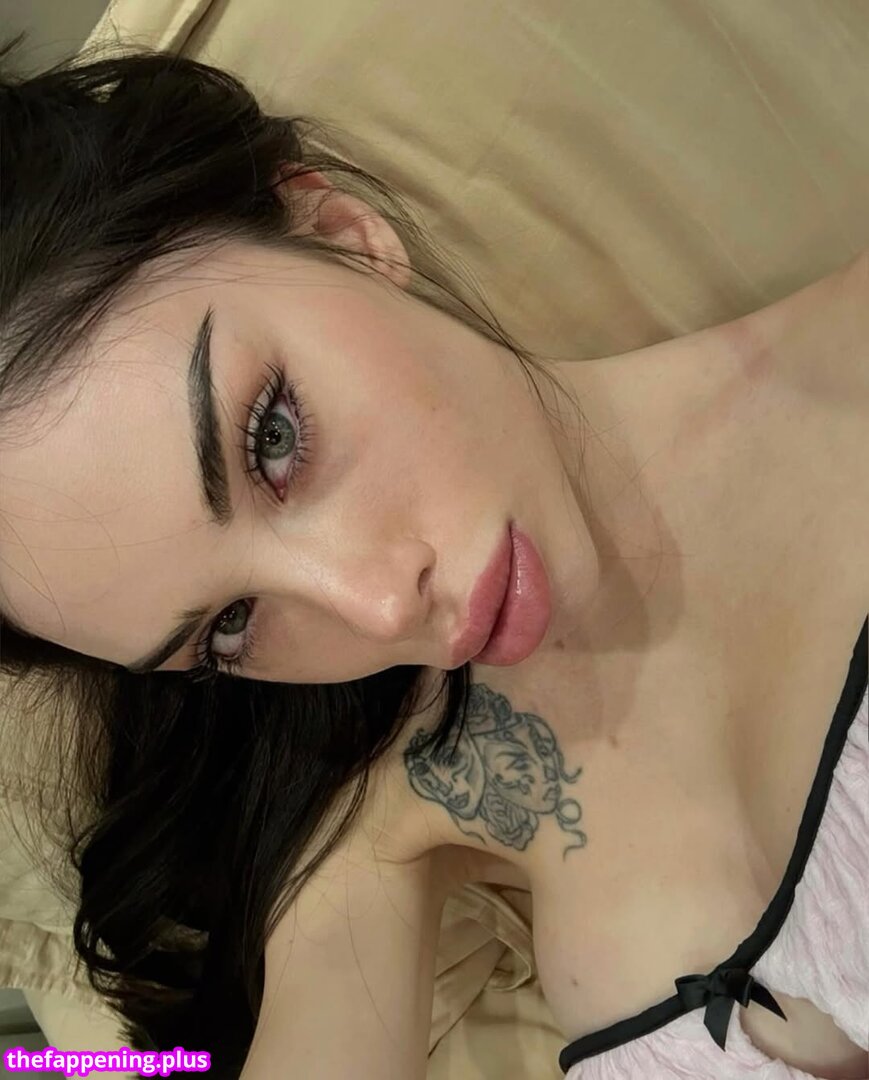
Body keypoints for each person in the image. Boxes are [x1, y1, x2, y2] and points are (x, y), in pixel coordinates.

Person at [1, 35, 866, 1080]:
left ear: (344, 234)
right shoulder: (376, 808)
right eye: (227, 628)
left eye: (273, 437)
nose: (376, 608)